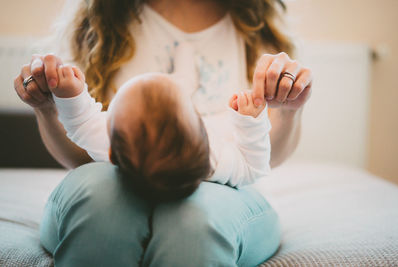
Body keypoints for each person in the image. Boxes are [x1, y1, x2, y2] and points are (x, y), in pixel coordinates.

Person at [14, 0, 312, 266]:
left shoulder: (215, 152)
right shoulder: (100, 19)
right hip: (116, 175)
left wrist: (286, 110)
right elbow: (83, 141)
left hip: (219, 193)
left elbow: (86, 123)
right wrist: (49, 106)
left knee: (193, 225)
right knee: (103, 207)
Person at [49, 48, 270, 200]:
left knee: (182, 81)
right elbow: (253, 167)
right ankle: (184, 75)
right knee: (184, 81)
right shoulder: (212, 158)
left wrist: (70, 95)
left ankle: (183, 76)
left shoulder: (121, 145)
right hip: (215, 125)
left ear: (111, 155)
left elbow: (82, 122)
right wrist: (249, 121)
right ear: (202, 130)